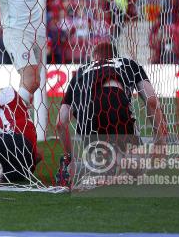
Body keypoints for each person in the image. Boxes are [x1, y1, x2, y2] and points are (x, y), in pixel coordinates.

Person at [55, 42, 168, 185]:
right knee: (136, 169)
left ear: (94, 58)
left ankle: (74, 166)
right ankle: (120, 160)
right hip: (115, 103)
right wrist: (160, 142)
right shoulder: (127, 63)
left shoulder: (80, 72)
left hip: (87, 119)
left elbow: (60, 123)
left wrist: (69, 156)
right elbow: (151, 101)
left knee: (100, 163)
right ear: (116, 55)